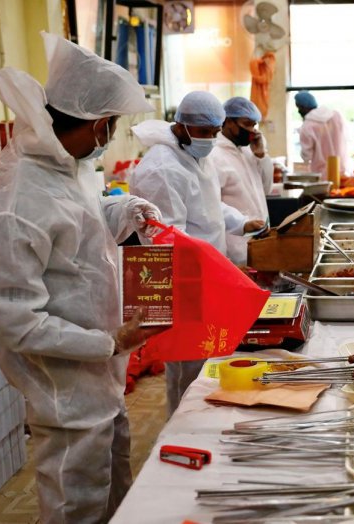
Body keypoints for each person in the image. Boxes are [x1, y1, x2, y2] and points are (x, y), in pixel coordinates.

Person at [0, 32, 165, 524]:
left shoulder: (62, 169)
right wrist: (108, 340)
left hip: (102, 374)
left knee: (115, 491)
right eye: (112, 125)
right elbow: (17, 322)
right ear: (98, 124)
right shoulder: (14, 202)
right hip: (66, 388)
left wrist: (123, 210)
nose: (110, 135)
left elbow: (81, 232)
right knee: (76, 505)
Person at [128, 91, 265, 416]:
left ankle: (196, 422)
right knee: (187, 364)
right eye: (204, 132)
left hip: (204, 272)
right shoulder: (160, 169)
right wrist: (221, 271)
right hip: (179, 278)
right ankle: (183, 428)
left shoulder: (193, 156)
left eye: (215, 132)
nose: (210, 139)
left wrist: (241, 223)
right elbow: (167, 236)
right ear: (181, 126)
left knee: (204, 360)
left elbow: (208, 206)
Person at [209, 96, 273, 266]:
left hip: (259, 241)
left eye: (254, 124)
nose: (252, 129)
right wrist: (242, 223)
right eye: (247, 124)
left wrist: (261, 155)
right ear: (229, 121)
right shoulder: (214, 155)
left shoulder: (246, 152)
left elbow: (266, 188)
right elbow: (211, 204)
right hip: (235, 247)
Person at [294, 91, 350, 178]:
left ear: (303, 107)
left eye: (299, 107)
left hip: (321, 176)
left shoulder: (307, 126)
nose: (298, 111)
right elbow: (346, 138)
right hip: (341, 173)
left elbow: (307, 156)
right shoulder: (336, 115)